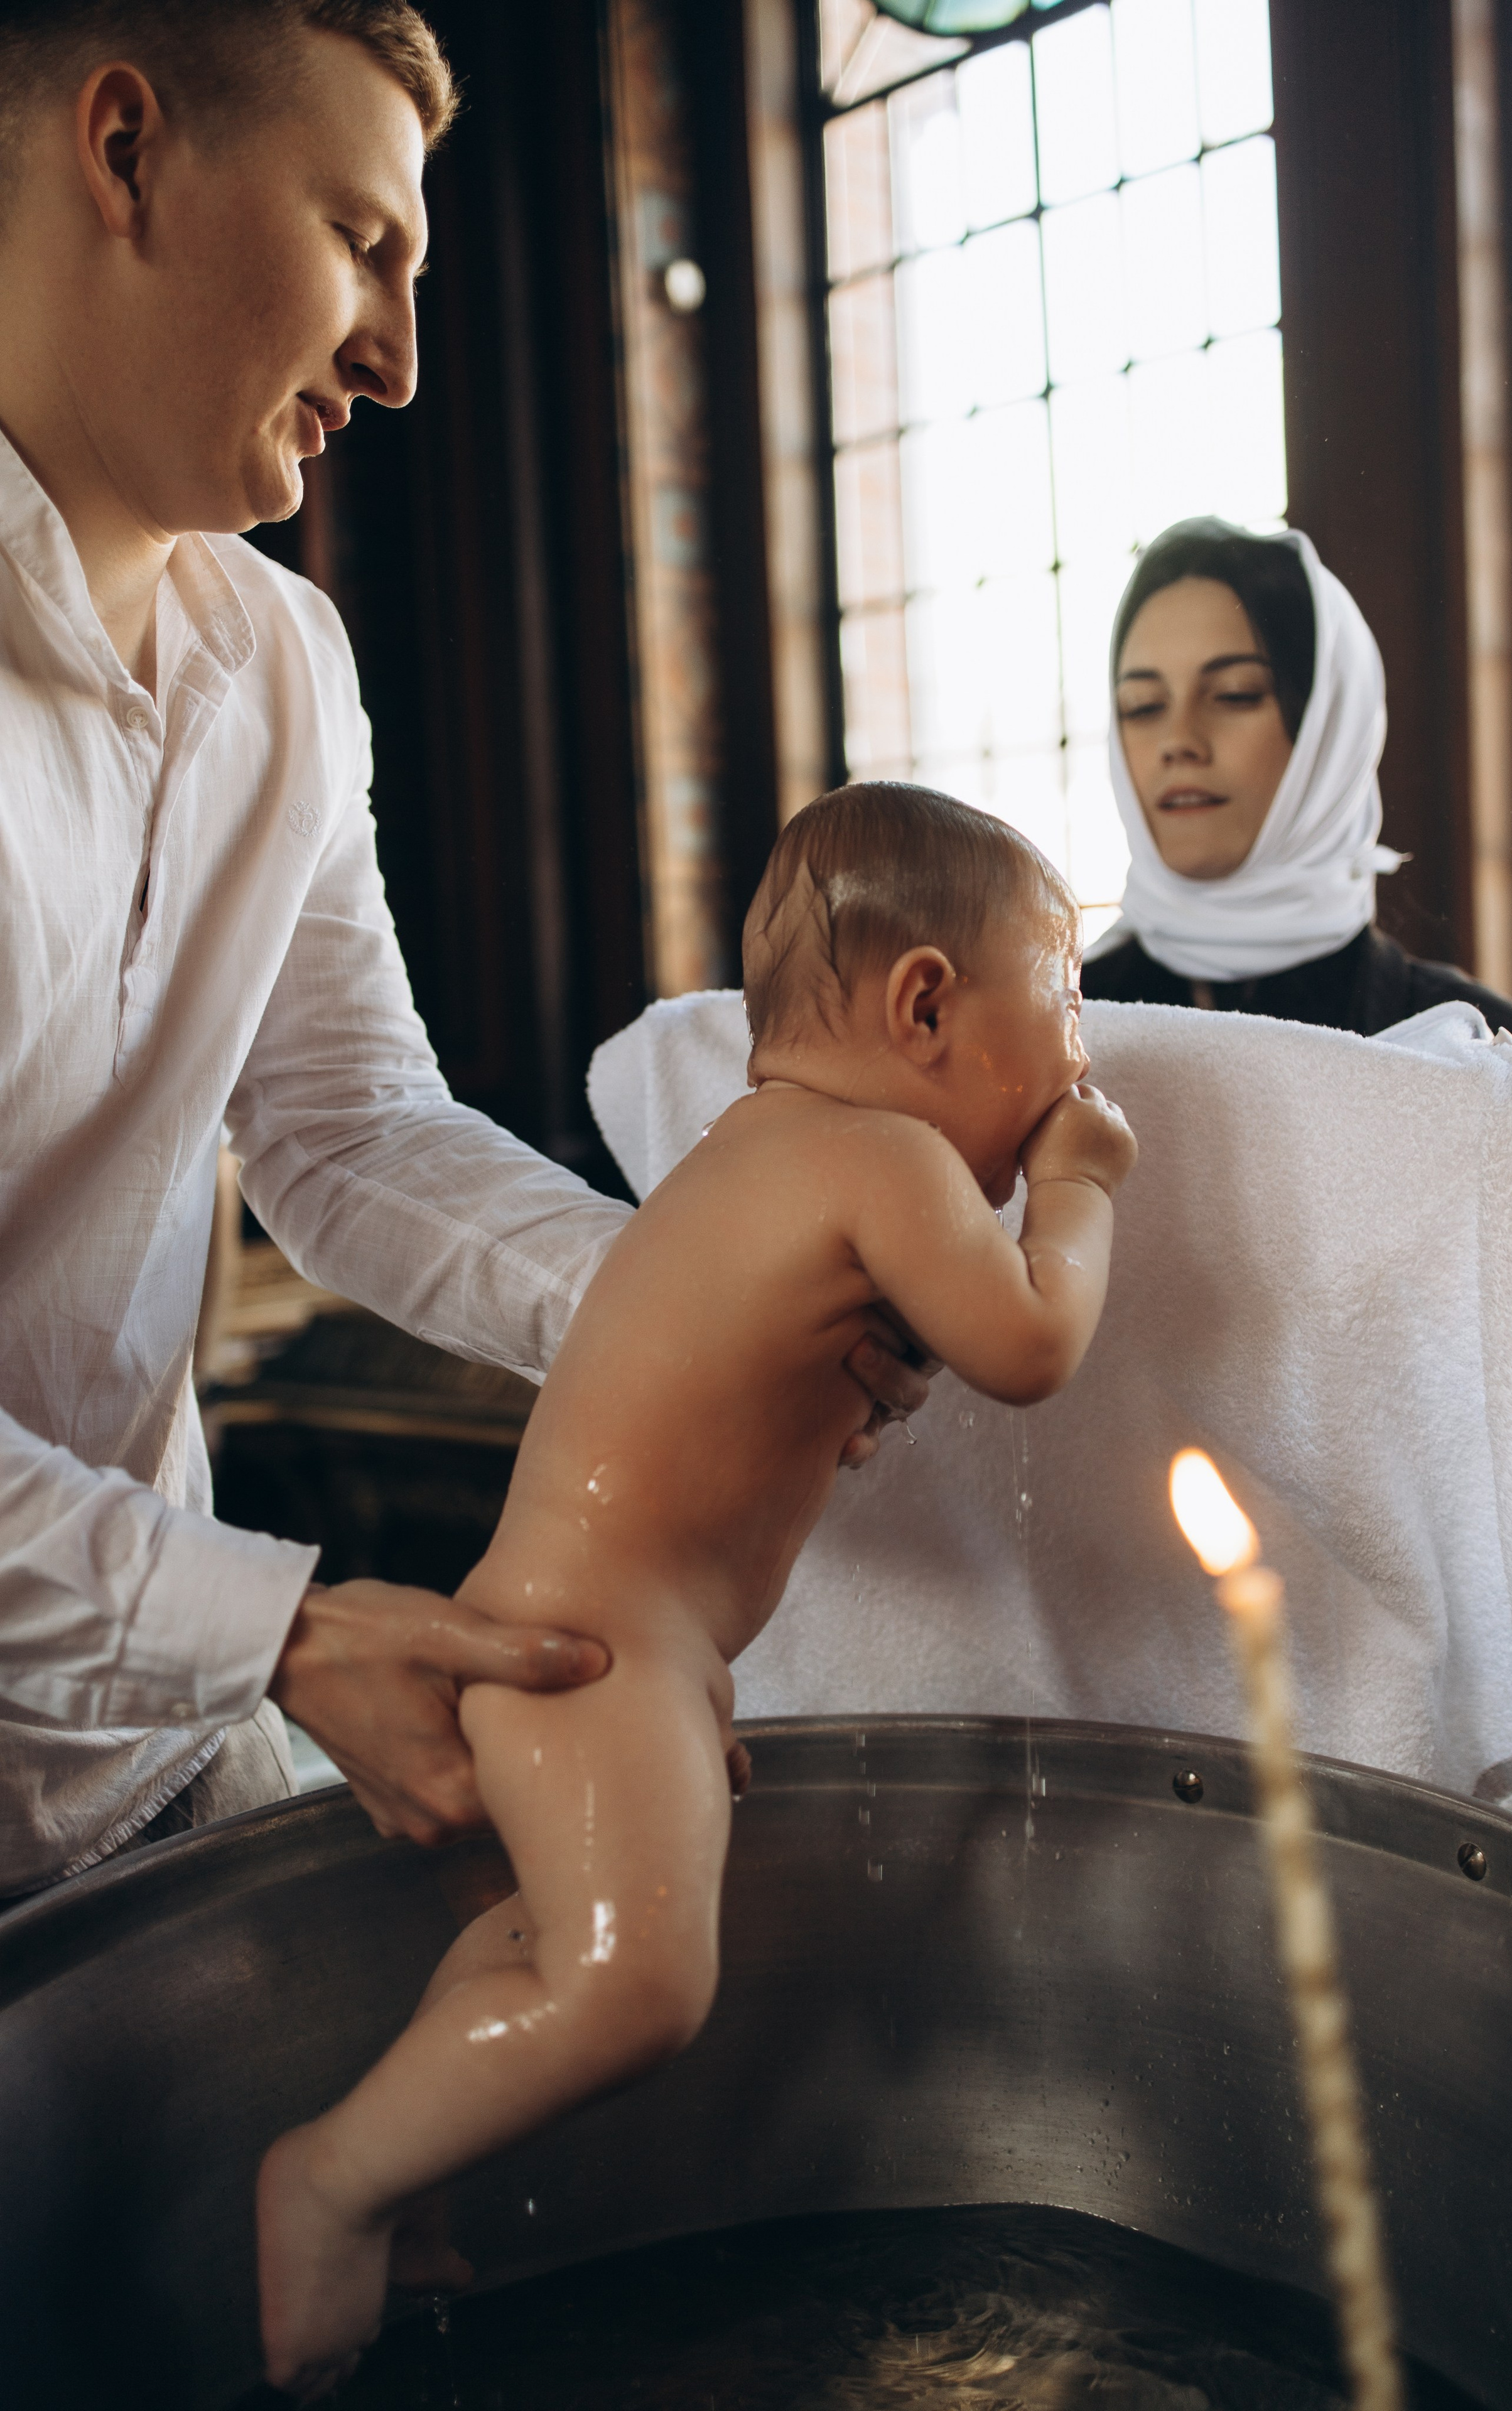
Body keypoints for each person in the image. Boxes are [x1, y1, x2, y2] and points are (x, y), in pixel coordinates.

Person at [0, 0, 927, 1899]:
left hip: (157, 1747)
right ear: (126, 151)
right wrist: (271, 1629)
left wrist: (706, 1306)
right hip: (191, 1651)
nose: (401, 359)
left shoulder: (285, 662)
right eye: (362, 240)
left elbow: (346, 1127)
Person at [254, 782, 1138, 2398]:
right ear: (925, 1003)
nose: (1080, 1053)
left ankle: (414, 2172)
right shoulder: (885, 1158)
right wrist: (1082, 1185)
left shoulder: (747, 1153)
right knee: (640, 1987)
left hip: (586, 1631)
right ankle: (331, 2176)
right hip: (600, 1653)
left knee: (546, 1940)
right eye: (1067, 998)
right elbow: (1028, 1344)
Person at [1080, 518, 1512, 1060]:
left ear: (1331, 730)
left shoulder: (1501, 1061)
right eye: (1143, 706)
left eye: (1235, 694)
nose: (1178, 741)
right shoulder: (1054, 1037)